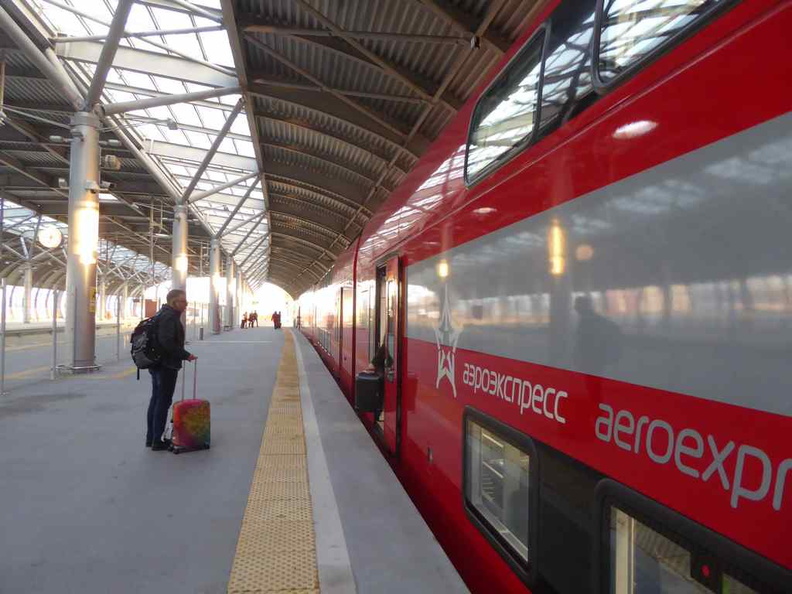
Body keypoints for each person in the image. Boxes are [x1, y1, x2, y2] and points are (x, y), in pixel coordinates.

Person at [146, 289, 197, 451]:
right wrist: (186, 355)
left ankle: (151, 438)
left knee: (156, 400)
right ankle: (157, 440)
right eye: (184, 301)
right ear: (174, 302)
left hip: (157, 365)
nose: (186, 305)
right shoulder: (169, 317)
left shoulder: (162, 314)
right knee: (163, 402)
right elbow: (167, 342)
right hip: (166, 366)